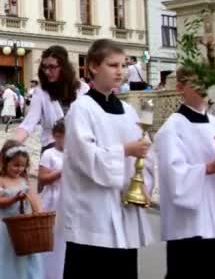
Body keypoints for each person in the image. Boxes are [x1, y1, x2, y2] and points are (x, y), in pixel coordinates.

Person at [60, 39, 153, 278]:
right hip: (92, 214)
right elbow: (85, 157)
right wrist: (125, 150)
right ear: (93, 66)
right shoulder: (82, 108)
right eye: (113, 65)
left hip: (123, 209)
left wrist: (143, 175)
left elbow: (144, 156)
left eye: (123, 65)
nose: (120, 71)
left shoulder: (129, 110)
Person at [153, 66, 215, 279]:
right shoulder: (172, 128)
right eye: (197, 83)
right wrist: (210, 167)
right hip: (189, 223)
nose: (203, 89)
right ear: (182, 87)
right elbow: (172, 176)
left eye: (206, 83)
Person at [0, 140, 43, 279]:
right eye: (15, 165)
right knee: (8, 259)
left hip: (24, 226)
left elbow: (31, 197)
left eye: (23, 166)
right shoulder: (0, 180)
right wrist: (14, 199)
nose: (19, 169)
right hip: (8, 228)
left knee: (25, 259)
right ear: (6, 163)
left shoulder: (23, 179)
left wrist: (37, 212)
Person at [17, 46, 90, 153]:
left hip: (79, 150)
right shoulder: (41, 92)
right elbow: (28, 123)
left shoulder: (83, 89)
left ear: (64, 67)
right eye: (44, 67)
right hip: (52, 150)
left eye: (52, 67)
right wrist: (9, 146)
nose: (47, 71)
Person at [39, 119, 66, 279]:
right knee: (51, 238)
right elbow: (42, 179)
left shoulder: (73, 154)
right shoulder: (49, 154)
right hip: (53, 198)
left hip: (69, 200)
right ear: (57, 136)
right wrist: (61, 172)